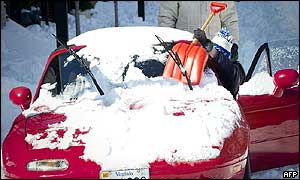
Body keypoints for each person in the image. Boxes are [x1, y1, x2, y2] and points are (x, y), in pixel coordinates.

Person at [193, 27, 245, 99]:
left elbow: (221, 61)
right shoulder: (209, 63)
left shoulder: (233, 74)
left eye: (218, 50)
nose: (210, 57)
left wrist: (208, 45)